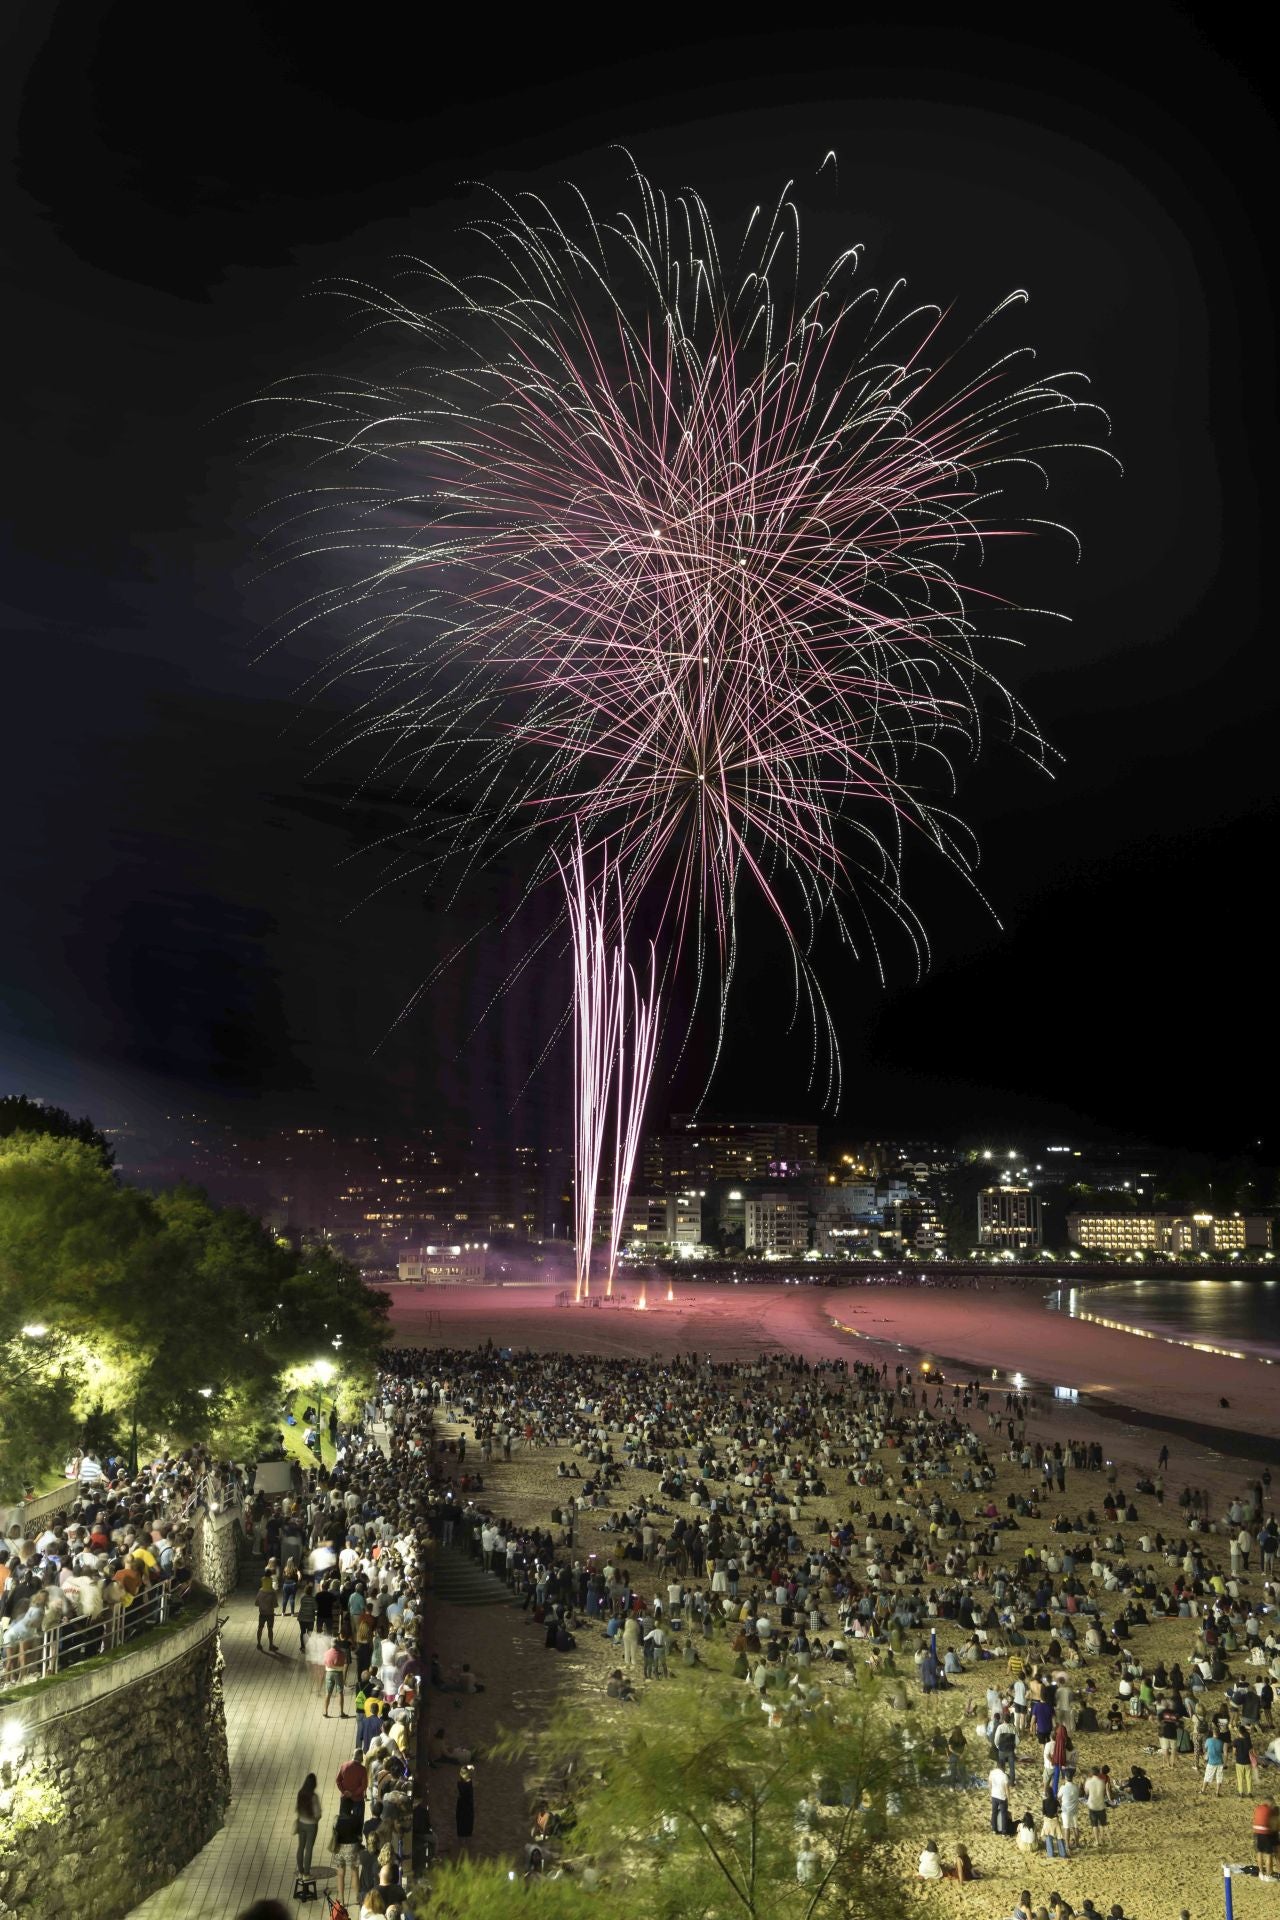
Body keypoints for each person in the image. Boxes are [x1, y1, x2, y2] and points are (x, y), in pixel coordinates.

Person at [294, 1772, 321, 1875]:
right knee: (309, 1848)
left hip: (301, 1822)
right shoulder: (314, 1797)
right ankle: (306, 1872)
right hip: (311, 1825)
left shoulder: (300, 1793)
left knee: (301, 1846)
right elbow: (318, 1814)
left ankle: (300, 1870)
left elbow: (297, 1808)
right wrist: (316, 1819)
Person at [323, 1637, 349, 1718]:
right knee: (340, 1692)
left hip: (329, 1673)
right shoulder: (342, 1653)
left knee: (328, 1693)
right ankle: (341, 1713)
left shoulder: (326, 1653)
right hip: (338, 1673)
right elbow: (344, 1663)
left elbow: (324, 1662)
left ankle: (325, 1712)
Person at [255, 1569, 278, 1652]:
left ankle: (258, 1643)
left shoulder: (260, 1591)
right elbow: (275, 1605)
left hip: (262, 1613)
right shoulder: (272, 1592)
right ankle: (271, 1645)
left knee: (260, 1628)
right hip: (270, 1613)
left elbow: (256, 1603)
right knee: (270, 1629)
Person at [456, 1763, 476, 1842]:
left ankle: (463, 1836)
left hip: (462, 1803)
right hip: (467, 1804)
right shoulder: (468, 1783)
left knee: (463, 1820)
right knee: (466, 1820)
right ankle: (465, 1836)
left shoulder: (460, 1783)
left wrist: (468, 1767)